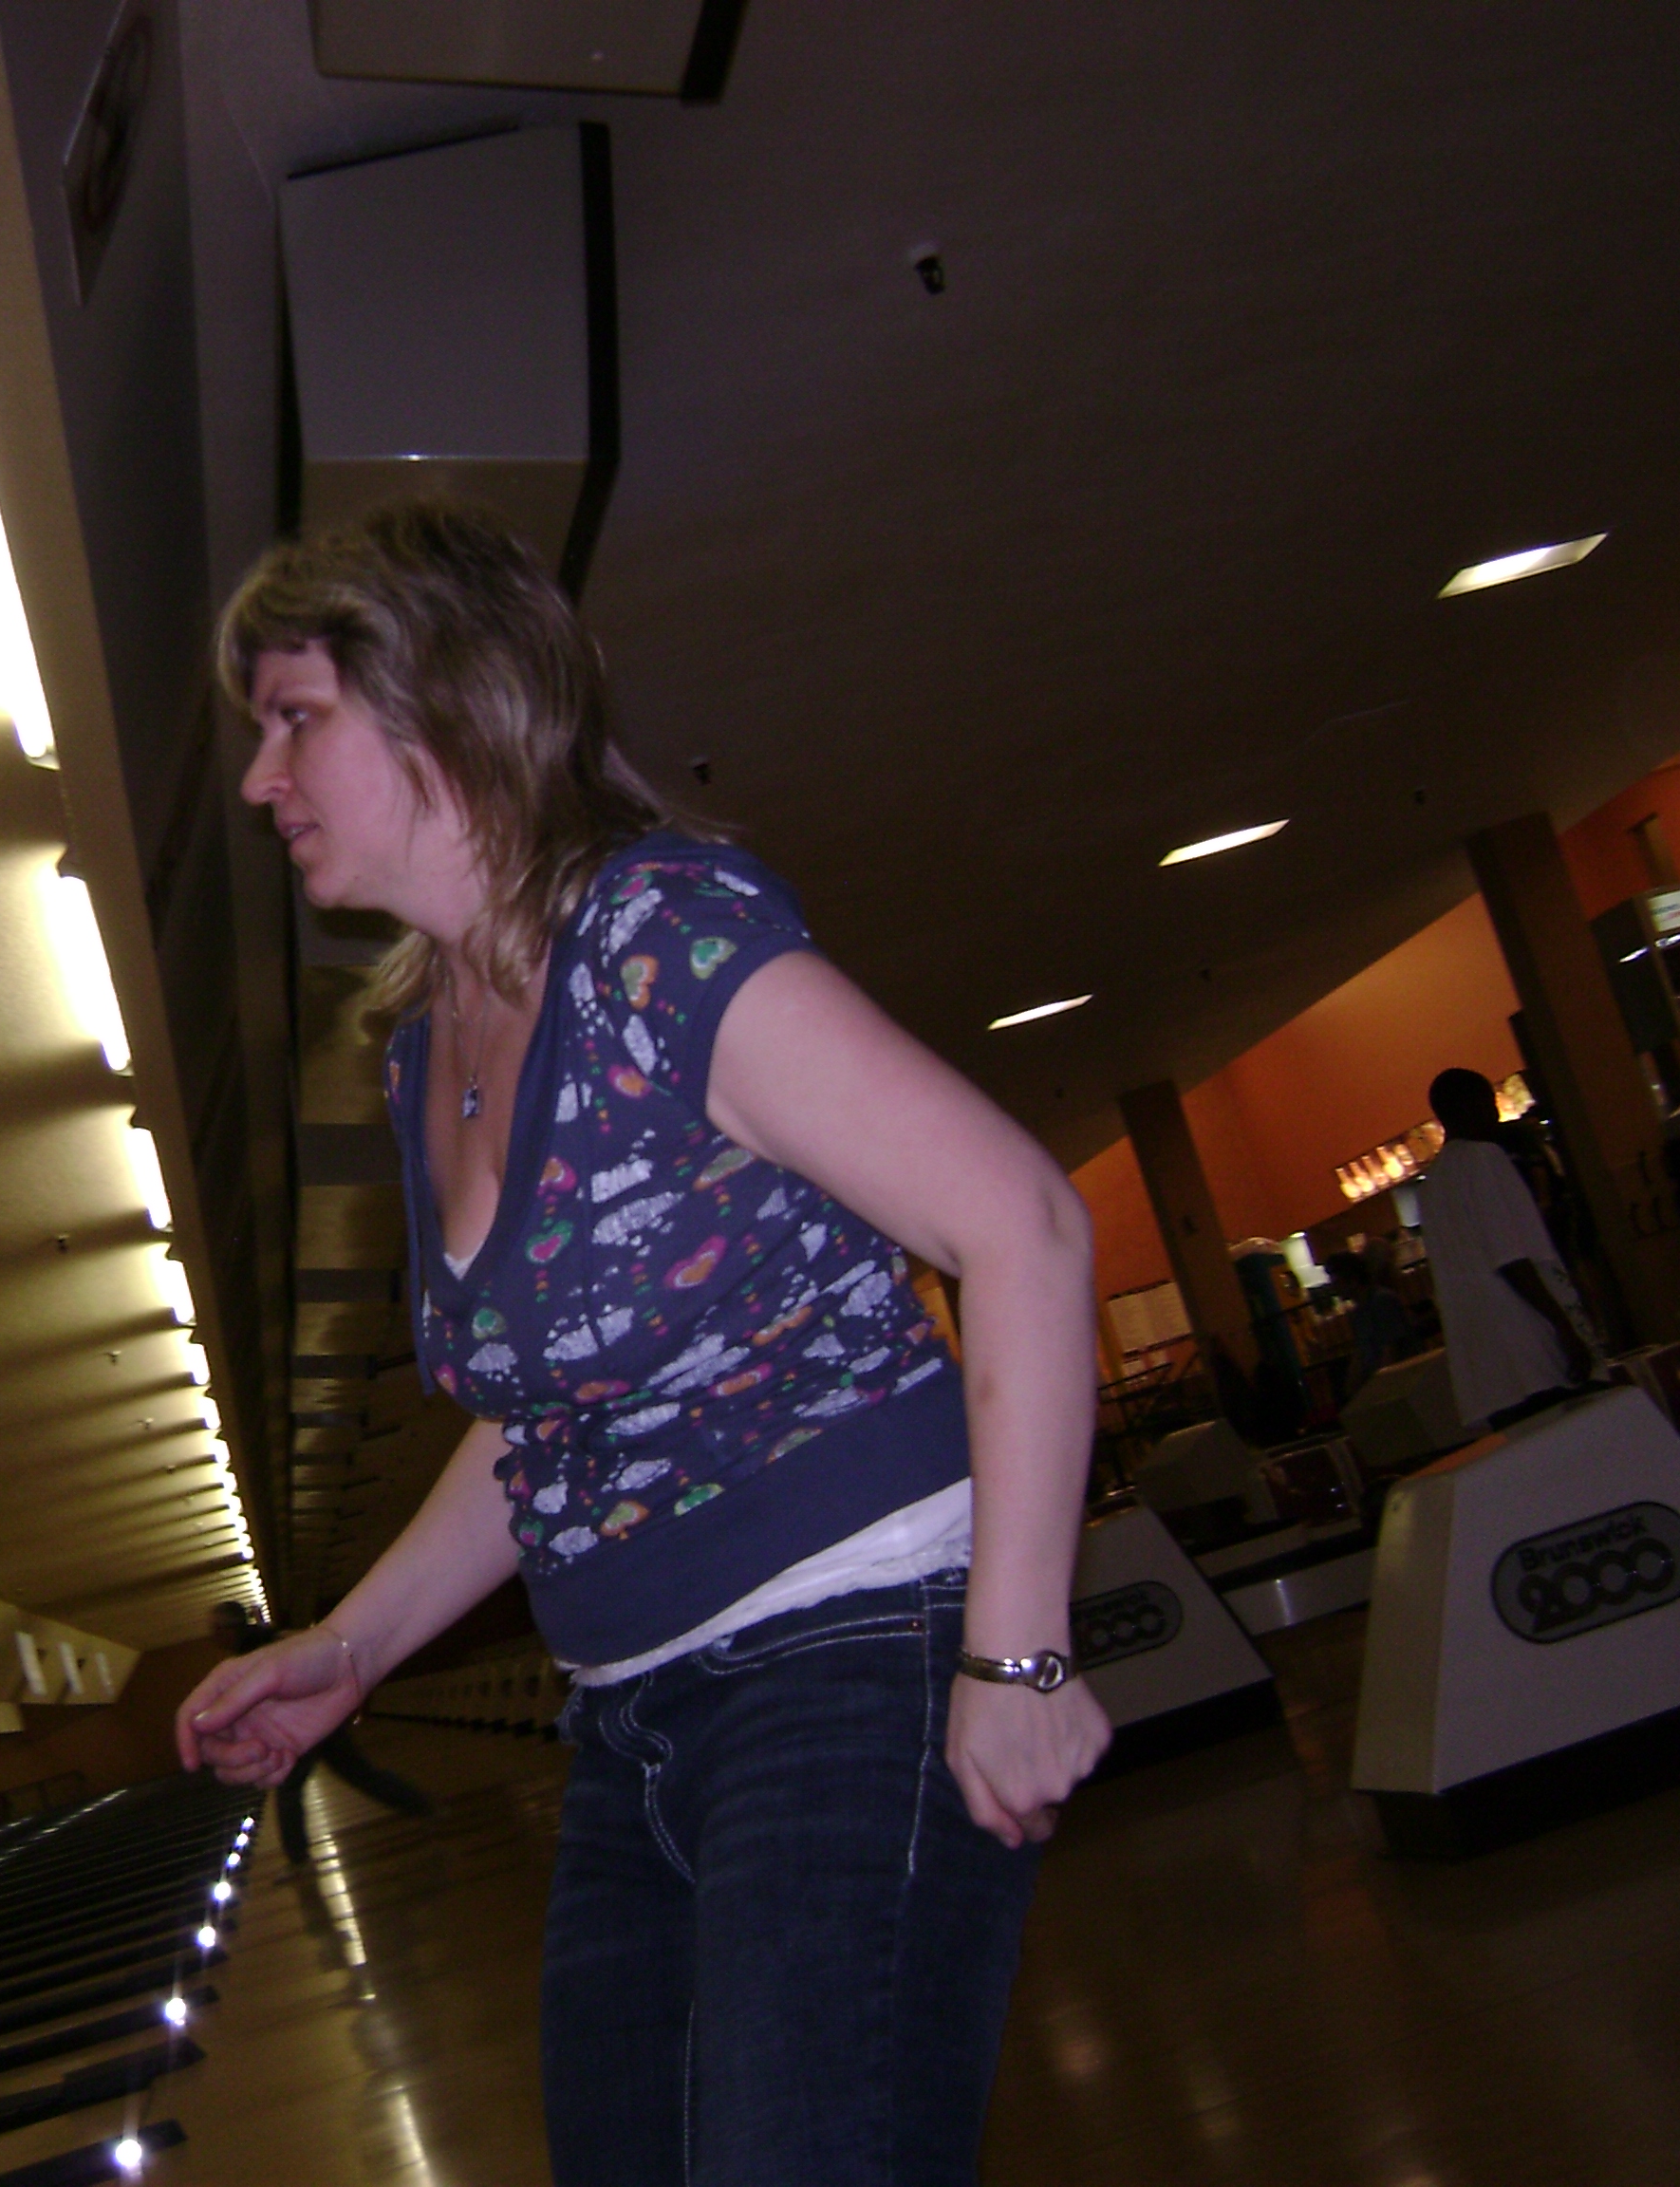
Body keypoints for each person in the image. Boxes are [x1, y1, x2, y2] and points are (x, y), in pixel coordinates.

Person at [173, 502, 1110, 2186]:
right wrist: (351, 1645)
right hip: (630, 1720)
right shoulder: (420, 1044)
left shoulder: (656, 937)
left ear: (446, 701)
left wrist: (1016, 1655)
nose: (261, 779)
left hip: (851, 1649)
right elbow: (547, 1418)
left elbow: (1022, 1227)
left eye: (294, 717)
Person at [1419, 1068, 1600, 1430]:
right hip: (1530, 1349)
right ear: (1471, 1106)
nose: (1495, 1114)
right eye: (1489, 1103)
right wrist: (1565, 1329)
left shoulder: (1432, 1184)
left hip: (1488, 1369)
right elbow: (1510, 1257)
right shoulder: (1483, 1158)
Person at [208, 1602, 433, 1862]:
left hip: (304, 1726)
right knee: (359, 1774)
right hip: (315, 1721)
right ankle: (421, 1806)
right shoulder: (264, 1640)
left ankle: (298, 1860)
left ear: (228, 1628)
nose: (212, 1636)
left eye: (215, 1629)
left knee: (293, 1789)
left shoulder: (254, 1649)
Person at [1322, 1249, 1416, 1400]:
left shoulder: (1381, 1302)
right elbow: (1362, 1353)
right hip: (1386, 1383)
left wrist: (1381, 1387)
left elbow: (1390, 1349)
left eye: (1336, 1282)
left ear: (1352, 1280)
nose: (1334, 1288)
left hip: (1402, 1383)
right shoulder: (1360, 1311)